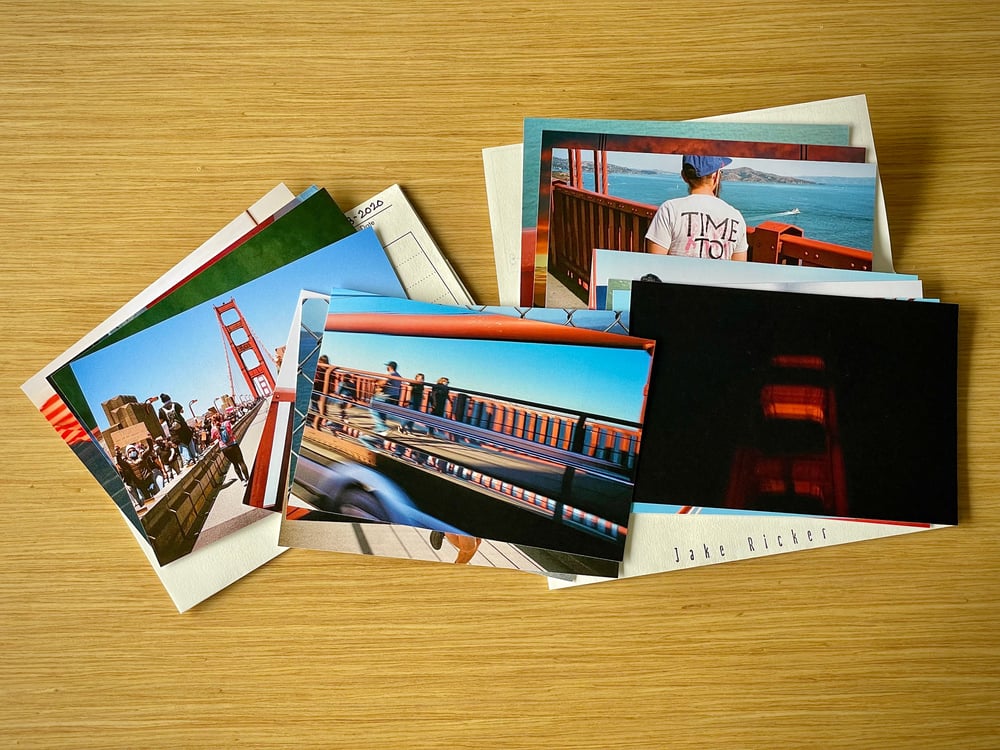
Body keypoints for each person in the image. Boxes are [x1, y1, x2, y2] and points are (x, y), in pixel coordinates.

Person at [645, 155, 748, 262]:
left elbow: (655, 264)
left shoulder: (669, 209)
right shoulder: (736, 217)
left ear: (684, 176)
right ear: (716, 176)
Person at [157, 393, 199, 466]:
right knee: (189, 440)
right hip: (183, 427)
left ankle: (189, 460)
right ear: (169, 398)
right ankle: (195, 456)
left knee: (181, 445)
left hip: (174, 431)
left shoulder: (161, 410)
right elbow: (182, 411)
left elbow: (160, 421)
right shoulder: (175, 404)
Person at [212, 414, 249, 485]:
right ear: (221, 418)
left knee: (235, 464)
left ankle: (242, 481)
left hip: (224, 448)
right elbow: (231, 429)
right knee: (241, 462)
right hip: (233, 444)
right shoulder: (227, 423)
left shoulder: (213, 429)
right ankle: (248, 478)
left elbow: (213, 438)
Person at [370, 361, 403, 436]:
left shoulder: (390, 374)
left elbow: (384, 382)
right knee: (382, 411)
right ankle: (380, 429)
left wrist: (377, 382)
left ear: (389, 367)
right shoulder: (399, 376)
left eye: (387, 366)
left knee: (373, 407)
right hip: (394, 398)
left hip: (386, 396)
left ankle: (382, 427)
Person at [312, 355, 330, 430]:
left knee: (320, 410)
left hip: (318, 392)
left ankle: (316, 425)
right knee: (320, 410)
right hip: (316, 392)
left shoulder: (322, 369)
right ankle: (315, 425)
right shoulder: (319, 369)